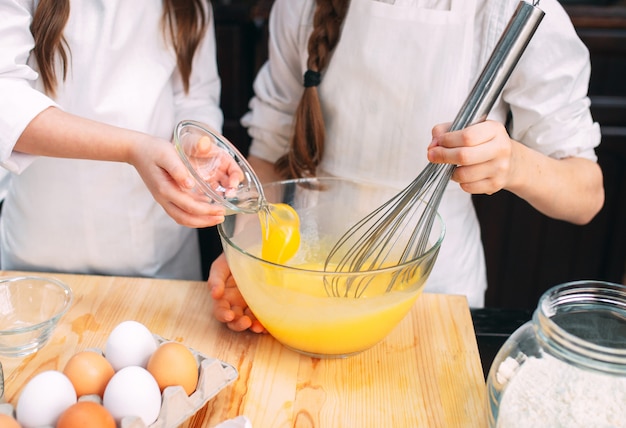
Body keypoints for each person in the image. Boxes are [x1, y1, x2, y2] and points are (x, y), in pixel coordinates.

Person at [209, 0, 604, 332]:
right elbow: (270, 151)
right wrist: (248, 253)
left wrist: (513, 164)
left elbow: (586, 194)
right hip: (303, 281)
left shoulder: (506, 9)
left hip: (436, 297)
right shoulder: (302, 6)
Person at [0, 0, 231, 280]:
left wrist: (196, 141)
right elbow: (6, 102)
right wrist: (133, 148)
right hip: (36, 253)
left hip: (158, 262)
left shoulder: (191, 6)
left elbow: (195, 99)